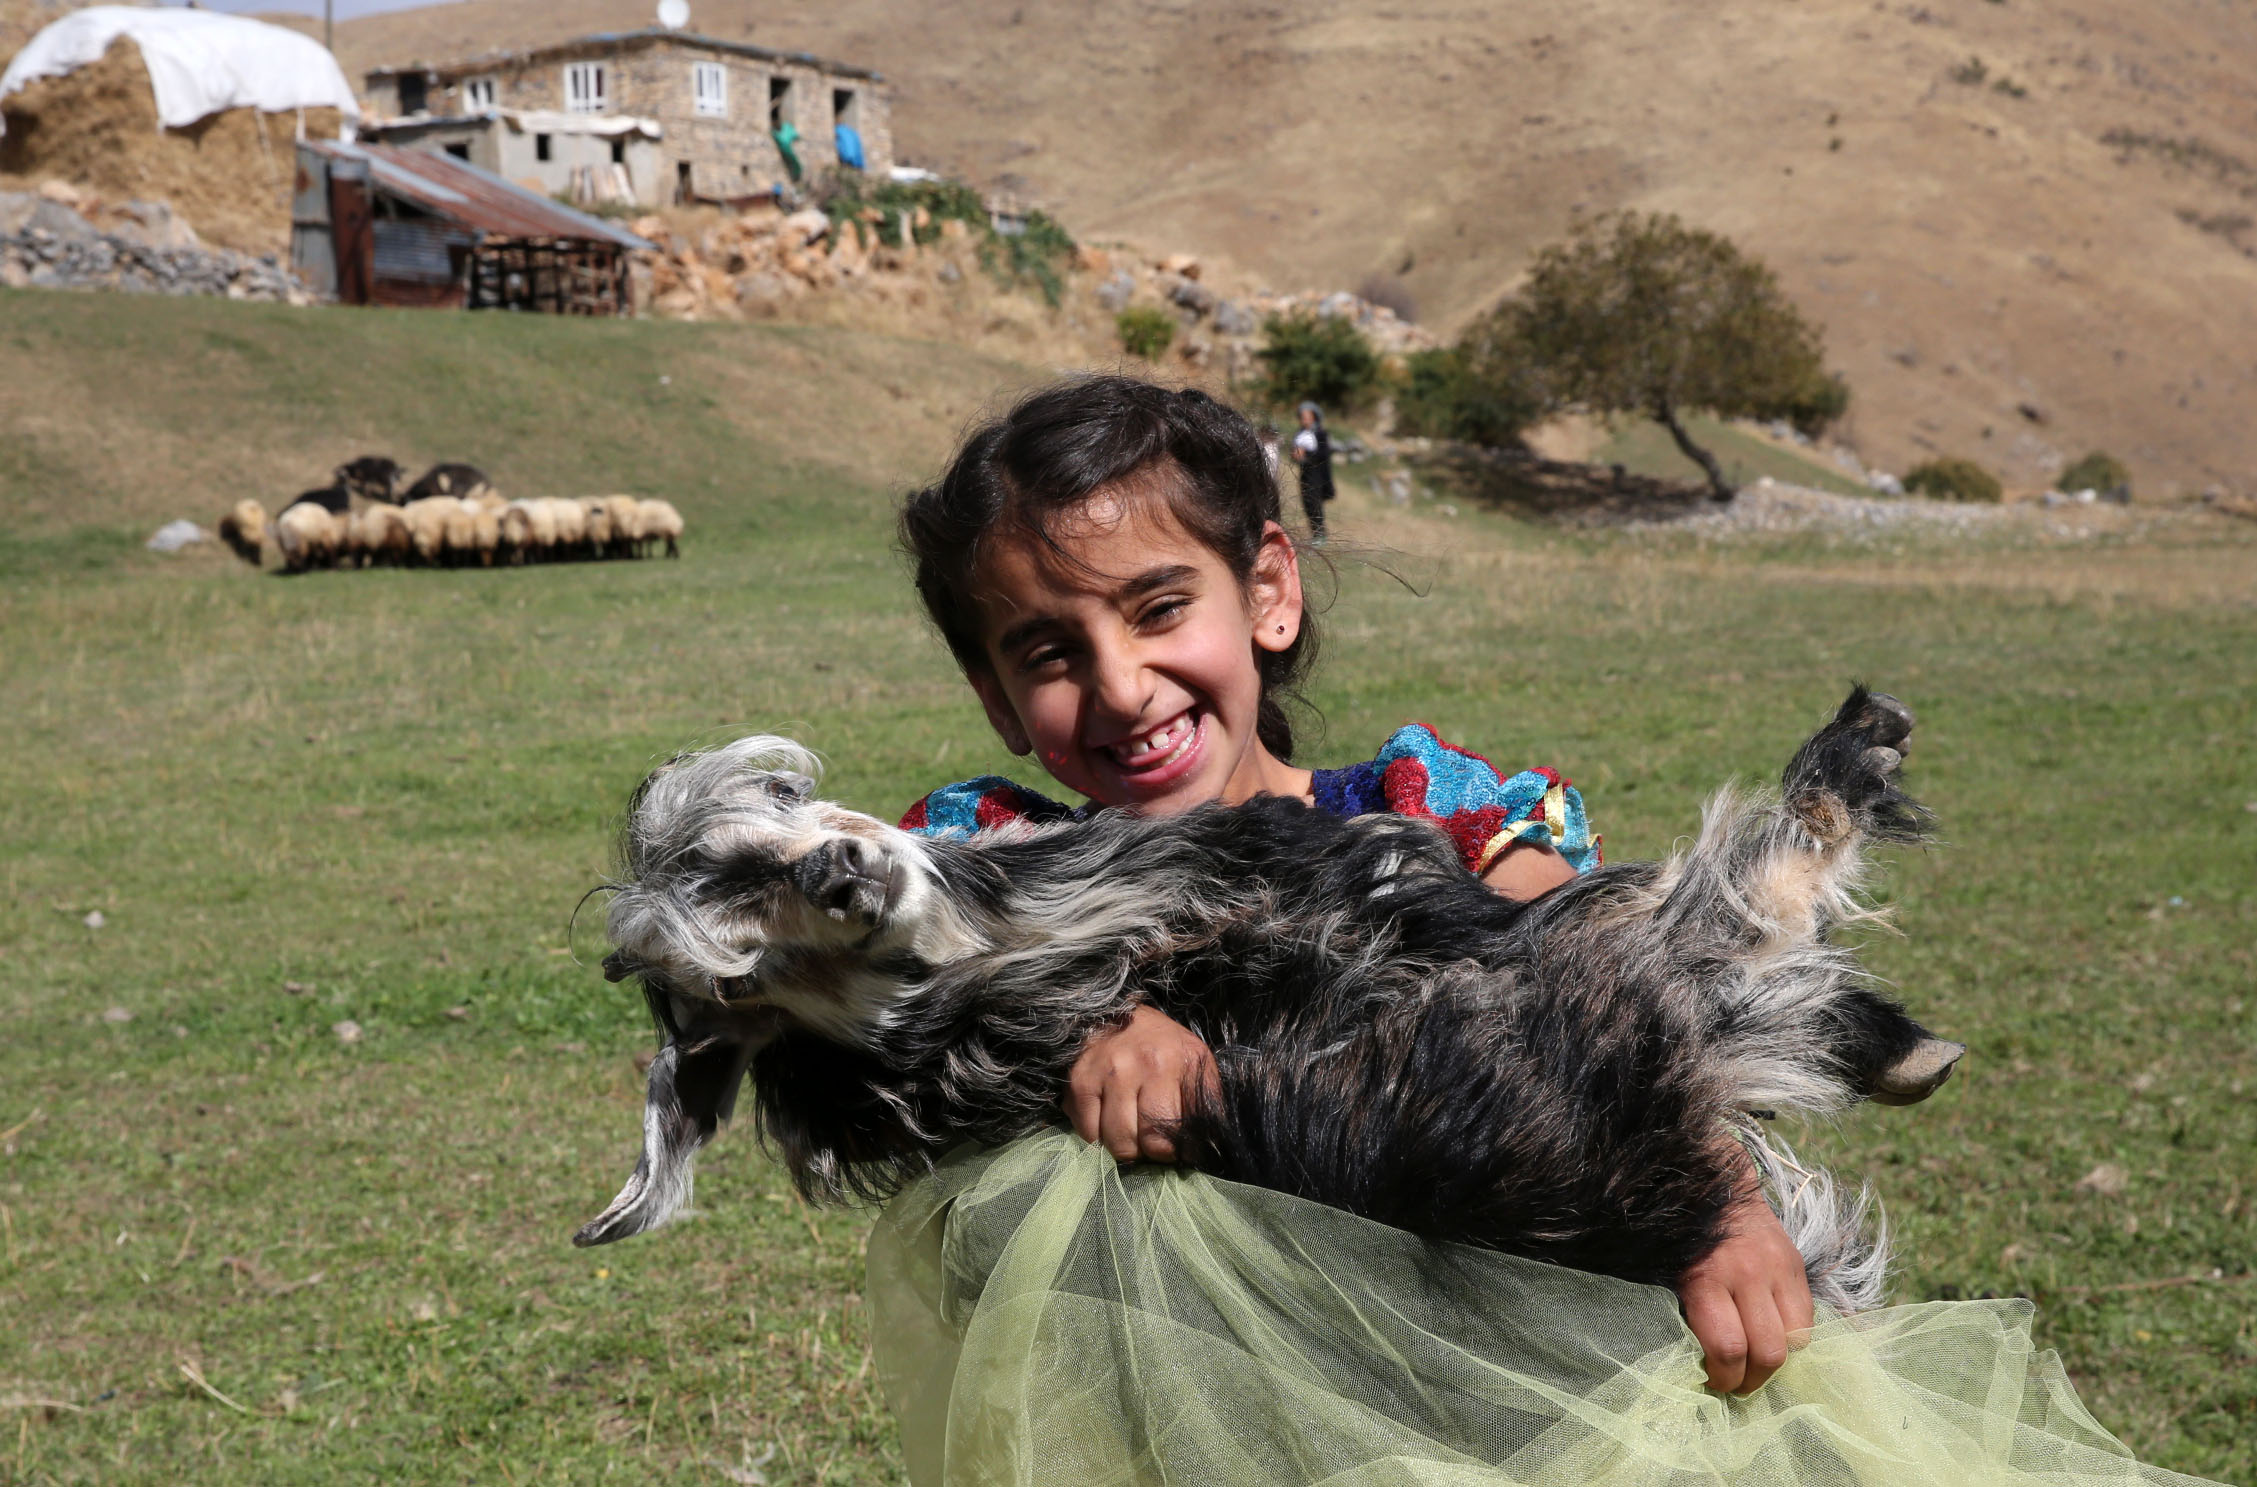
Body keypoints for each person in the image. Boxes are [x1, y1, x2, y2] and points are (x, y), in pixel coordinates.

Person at [870, 375, 2216, 1486]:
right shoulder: (995, 855)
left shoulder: (1429, 811)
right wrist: (1094, 1013)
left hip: (1484, 1361)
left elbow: (1604, 999)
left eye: (1160, 606)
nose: (1118, 682)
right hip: (1203, 1405)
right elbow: (913, 997)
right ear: (995, 694)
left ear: (1265, 590)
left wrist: (1720, 1202)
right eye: (1047, 652)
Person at [1289, 399, 1334, 541]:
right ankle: (1315, 533)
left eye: (1307, 417)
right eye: (1302, 417)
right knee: (1307, 502)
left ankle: (1320, 534)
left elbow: (1324, 453)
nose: (1304, 420)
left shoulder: (1320, 433)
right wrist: (1295, 455)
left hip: (1317, 475)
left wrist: (1306, 454)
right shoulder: (1300, 433)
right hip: (1305, 473)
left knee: (1315, 502)